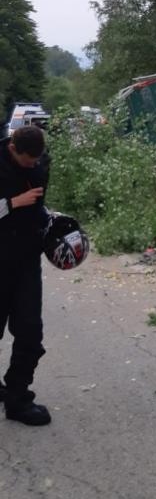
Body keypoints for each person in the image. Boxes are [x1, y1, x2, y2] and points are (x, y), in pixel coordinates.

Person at [0, 125, 53, 425]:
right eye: (27, 161)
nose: (33, 166)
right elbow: (21, 203)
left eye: (37, 160)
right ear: (12, 149)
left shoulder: (40, 163)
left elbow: (40, 207)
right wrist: (11, 204)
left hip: (26, 262)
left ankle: (18, 399)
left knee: (31, 332)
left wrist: (53, 225)